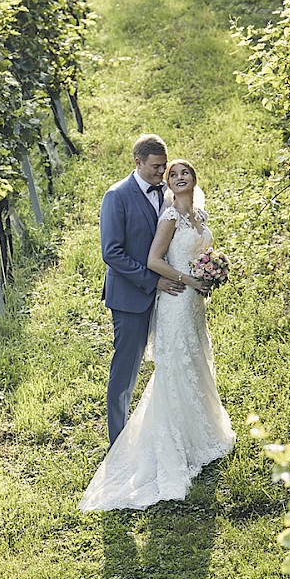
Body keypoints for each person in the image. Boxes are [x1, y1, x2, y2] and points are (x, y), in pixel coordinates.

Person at [80, 158, 234, 511]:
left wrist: (212, 271)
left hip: (194, 303)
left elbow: (201, 252)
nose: (179, 178)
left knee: (195, 359)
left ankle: (201, 433)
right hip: (177, 299)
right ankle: (159, 444)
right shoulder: (167, 216)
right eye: (171, 174)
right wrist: (190, 279)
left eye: (184, 172)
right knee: (172, 367)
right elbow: (152, 259)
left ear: (195, 177)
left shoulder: (199, 213)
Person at [99, 133, 185, 449]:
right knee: (125, 372)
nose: (160, 173)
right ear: (137, 162)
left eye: (164, 166)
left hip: (167, 297)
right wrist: (151, 280)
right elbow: (112, 252)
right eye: (154, 167)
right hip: (130, 297)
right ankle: (118, 444)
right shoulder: (116, 197)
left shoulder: (167, 191)